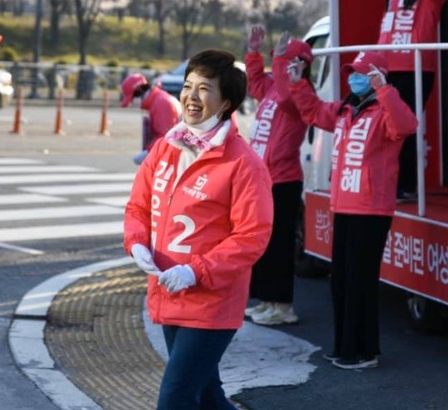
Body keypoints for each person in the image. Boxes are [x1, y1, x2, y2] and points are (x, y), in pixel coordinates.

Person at [123, 49, 273, 409]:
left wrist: (195, 271)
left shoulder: (243, 164)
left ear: (226, 102)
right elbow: (138, 206)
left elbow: (252, 236)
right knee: (206, 395)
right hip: (166, 290)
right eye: (188, 86)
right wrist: (137, 242)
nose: (191, 96)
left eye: (204, 88)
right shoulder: (166, 147)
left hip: (211, 301)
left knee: (175, 398)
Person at [286, 51, 418, 369]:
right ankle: (345, 346)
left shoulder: (385, 108)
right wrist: (298, 83)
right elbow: (314, 112)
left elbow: (407, 125)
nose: (354, 78)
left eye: (361, 73)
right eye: (352, 72)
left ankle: (365, 351)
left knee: (361, 280)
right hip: (343, 204)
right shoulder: (346, 109)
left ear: (378, 76)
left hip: (371, 208)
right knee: (341, 279)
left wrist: (386, 90)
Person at [243, 27, 312, 326]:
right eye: (277, 60)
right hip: (263, 177)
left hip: (283, 180)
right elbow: (256, 82)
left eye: (283, 61)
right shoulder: (273, 87)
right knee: (265, 244)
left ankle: (283, 306)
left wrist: (283, 64)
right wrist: (253, 52)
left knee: (280, 246)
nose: (277, 65)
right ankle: (269, 301)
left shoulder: (298, 93)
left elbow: (285, 95)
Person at [377, 0, 447, 203]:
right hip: (385, 68)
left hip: (414, 68)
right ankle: (389, 183)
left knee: (403, 130)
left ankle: (404, 185)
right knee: (384, 129)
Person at [120, 73, 181, 165]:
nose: (133, 102)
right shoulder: (157, 101)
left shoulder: (161, 103)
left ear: (139, 90)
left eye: (133, 98)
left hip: (175, 157)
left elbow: (166, 137)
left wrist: (148, 153)